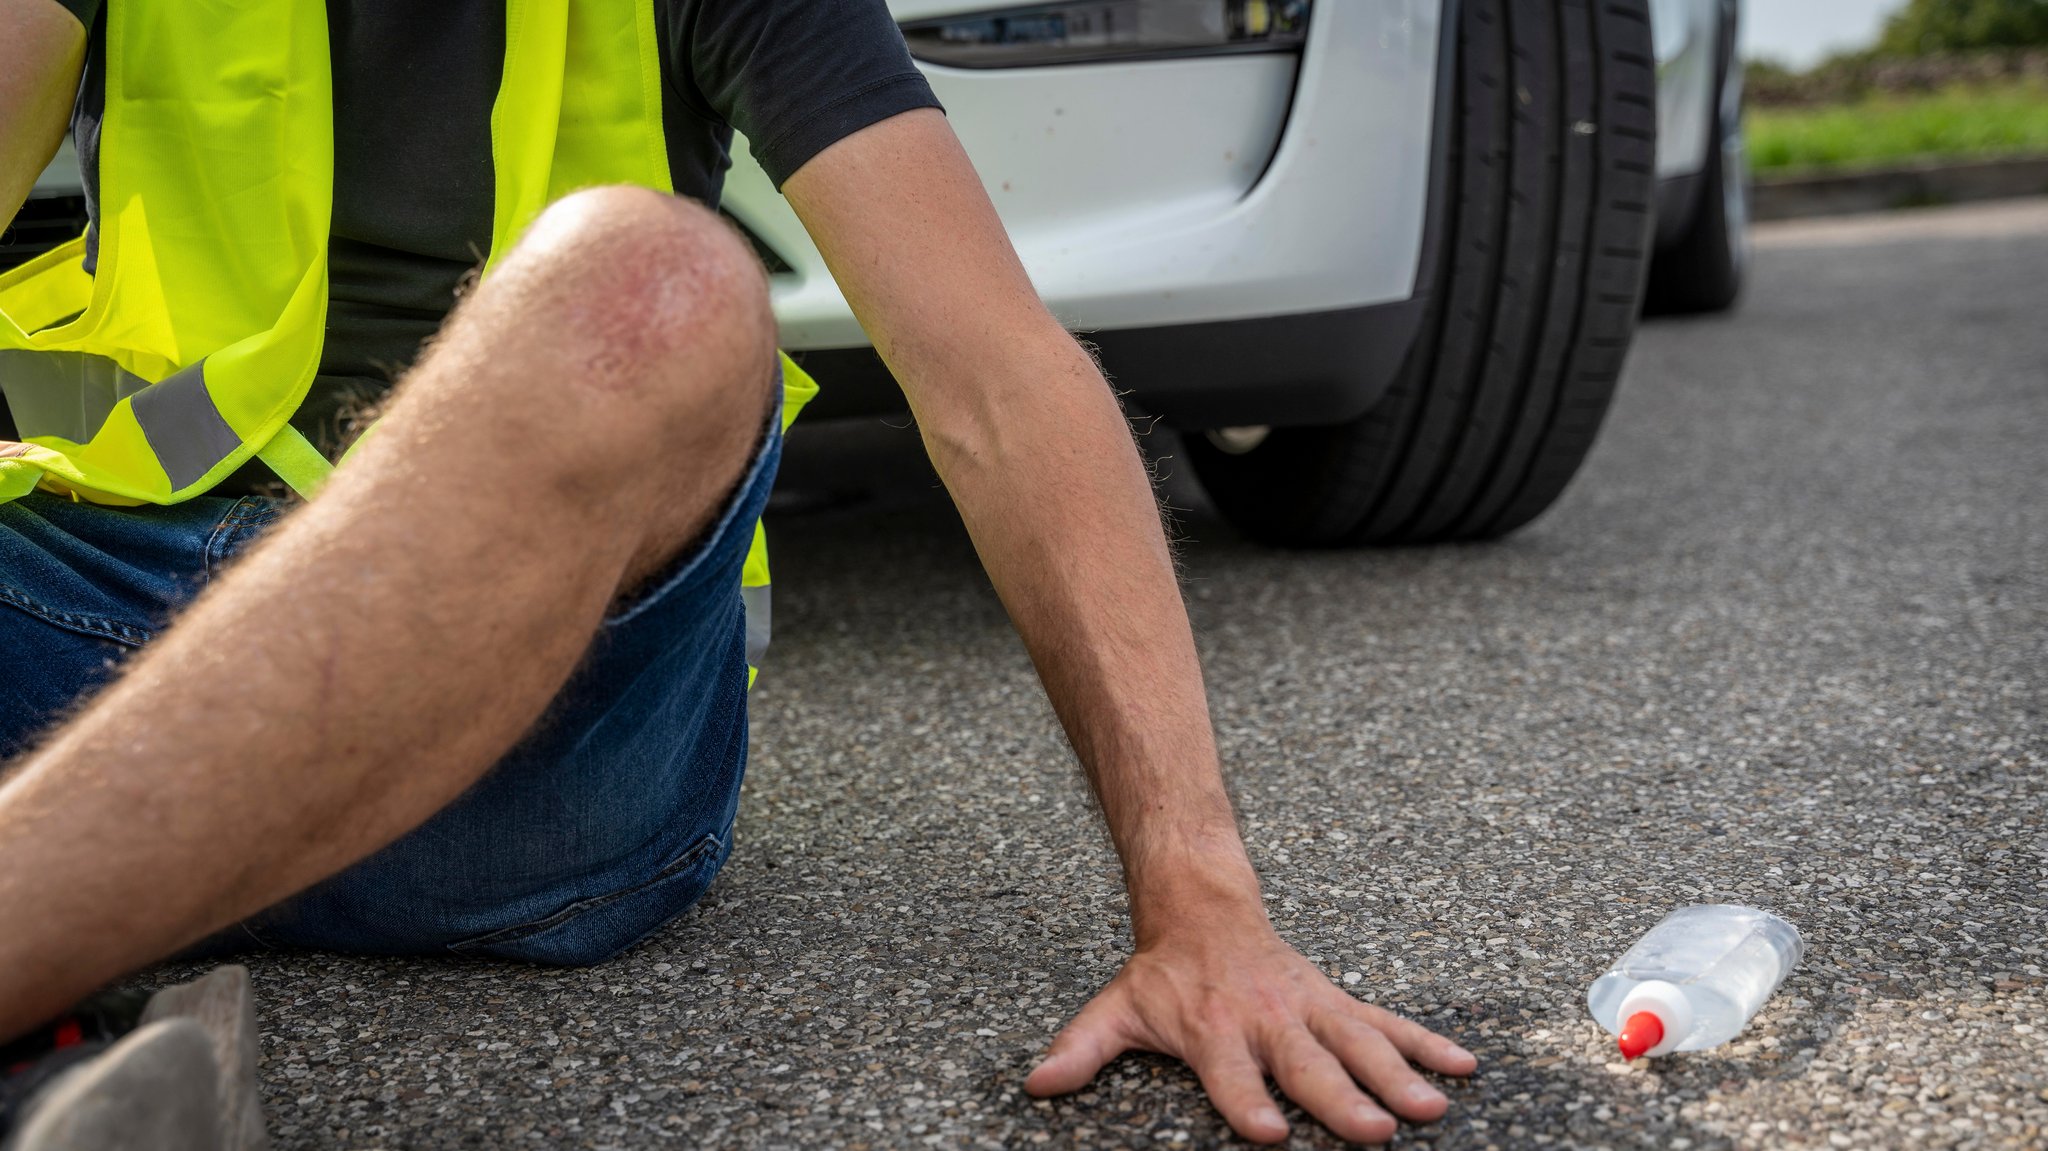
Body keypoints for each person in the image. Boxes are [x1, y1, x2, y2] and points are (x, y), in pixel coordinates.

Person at [0, 0, 1478, 1144]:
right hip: (108, 630)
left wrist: (1205, 904)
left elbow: (998, 382)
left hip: (518, 733)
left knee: (661, 284)